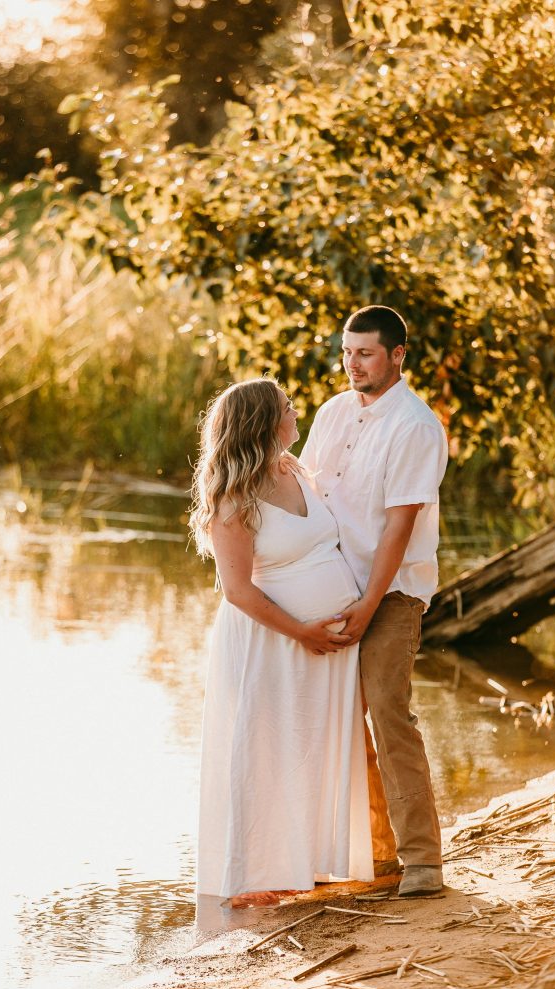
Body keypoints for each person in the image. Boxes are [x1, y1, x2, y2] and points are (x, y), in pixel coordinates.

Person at [189, 378, 374, 908]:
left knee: (311, 749)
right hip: (270, 644)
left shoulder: (296, 470)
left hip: (323, 646)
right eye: (288, 407)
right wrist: (303, 631)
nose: (297, 413)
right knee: (266, 751)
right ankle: (255, 876)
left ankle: (307, 865)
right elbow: (238, 591)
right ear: (264, 422)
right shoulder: (233, 499)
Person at [300, 305, 448, 897]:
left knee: (388, 712)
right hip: (331, 588)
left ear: (397, 356)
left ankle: (423, 861)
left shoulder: (416, 427)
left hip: (393, 592)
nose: (352, 364)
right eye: (346, 352)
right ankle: (375, 855)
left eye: (364, 353)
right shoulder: (333, 413)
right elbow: (308, 497)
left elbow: (399, 528)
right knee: (333, 716)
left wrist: (368, 605)